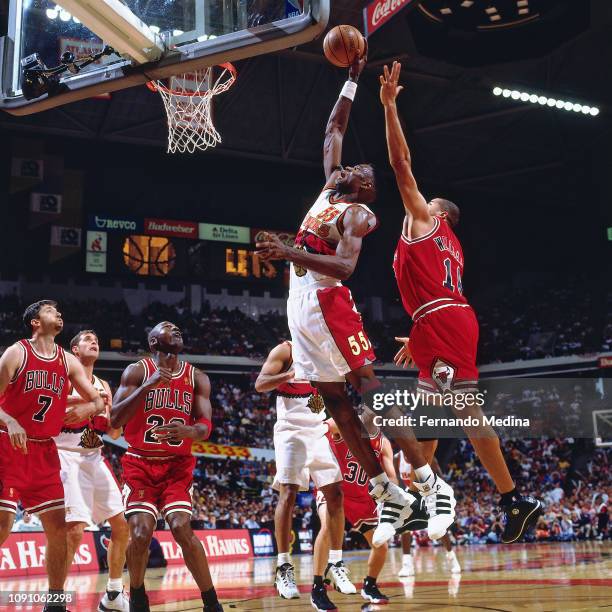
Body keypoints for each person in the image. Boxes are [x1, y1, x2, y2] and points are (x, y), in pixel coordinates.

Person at [256, 46, 456, 548]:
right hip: (299, 305)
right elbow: (333, 131)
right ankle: (387, 490)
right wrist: (351, 81)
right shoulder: (329, 190)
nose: (353, 167)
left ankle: (430, 482)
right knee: (336, 405)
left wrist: (287, 252)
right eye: (352, 168)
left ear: (366, 188)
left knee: (367, 396)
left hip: (328, 301)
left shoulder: (357, 216)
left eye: (362, 171)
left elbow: (345, 267)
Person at [379, 61, 541, 543]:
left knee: (466, 414)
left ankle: (514, 498)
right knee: (426, 424)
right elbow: (437, 294)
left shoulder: (427, 222)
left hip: (445, 323)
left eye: (427, 202)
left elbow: (400, 165)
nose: (417, 204)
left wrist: (389, 106)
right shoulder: (453, 248)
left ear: (439, 213)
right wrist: (421, 333)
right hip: (443, 321)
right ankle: (419, 503)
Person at [0, 299, 104, 612]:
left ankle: (55, 603)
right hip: (10, 444)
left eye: (59, 311)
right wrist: (10, 419)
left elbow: (97, 401)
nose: (58, 313)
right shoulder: (17, 352)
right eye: (50, 310)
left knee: (58, 530)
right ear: (35, 322)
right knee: (3, 524)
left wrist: (89, 406)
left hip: (45, 450)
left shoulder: (68, 360)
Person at [111, 321, 221, 612]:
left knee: (182, 528)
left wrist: (191, 431)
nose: (176, 329)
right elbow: (114, 420)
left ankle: (211, 602)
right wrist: (146, 388)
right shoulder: (137, 372)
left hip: (177, 466)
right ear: (154, 343)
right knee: (140, 533)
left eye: (177, 328)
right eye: (167, 328)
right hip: (140, 464)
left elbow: (205, 425)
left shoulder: (197, 377)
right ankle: (137, 596)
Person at [255, 341, 354, 612]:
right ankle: (283, 565)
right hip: (290, 429)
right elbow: (260, 383)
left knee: (335, 494)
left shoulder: (327, 352)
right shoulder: (285, 350)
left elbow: (335, 391)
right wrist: (288, 374)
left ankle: (336, 562)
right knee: (289, 492)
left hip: (317, 425)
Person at [53, 329, 129, 612]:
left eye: (96, 339)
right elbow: (49, 418)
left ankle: (112, 594)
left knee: (122, 526)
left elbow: (114, 432)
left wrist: (122, 414)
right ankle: (56, 601)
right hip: (65, 455)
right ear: (74, 350)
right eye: (86, 339)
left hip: (94, 457)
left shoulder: (104, 385)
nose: (94, 341)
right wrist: (86, 406)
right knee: (74, 530)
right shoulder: (63, 378)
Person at [315, 410, 396, 605]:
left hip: (361, 499)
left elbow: (391, 476)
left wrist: (390, 499)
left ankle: (369, 585)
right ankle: (318, 587)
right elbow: (316, 429)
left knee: (381, 545)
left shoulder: (383, 442)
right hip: (334, 490)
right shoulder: (344, 423)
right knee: (327, 529)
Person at [394, 450, 461, 577]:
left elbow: (440, 478)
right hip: (410, 494)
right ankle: (407, 565)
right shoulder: (397, 457)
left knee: (441, 530)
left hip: (428, 494)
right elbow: (397, 481)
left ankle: (452, 559)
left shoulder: (425, 453)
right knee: (404, 526)